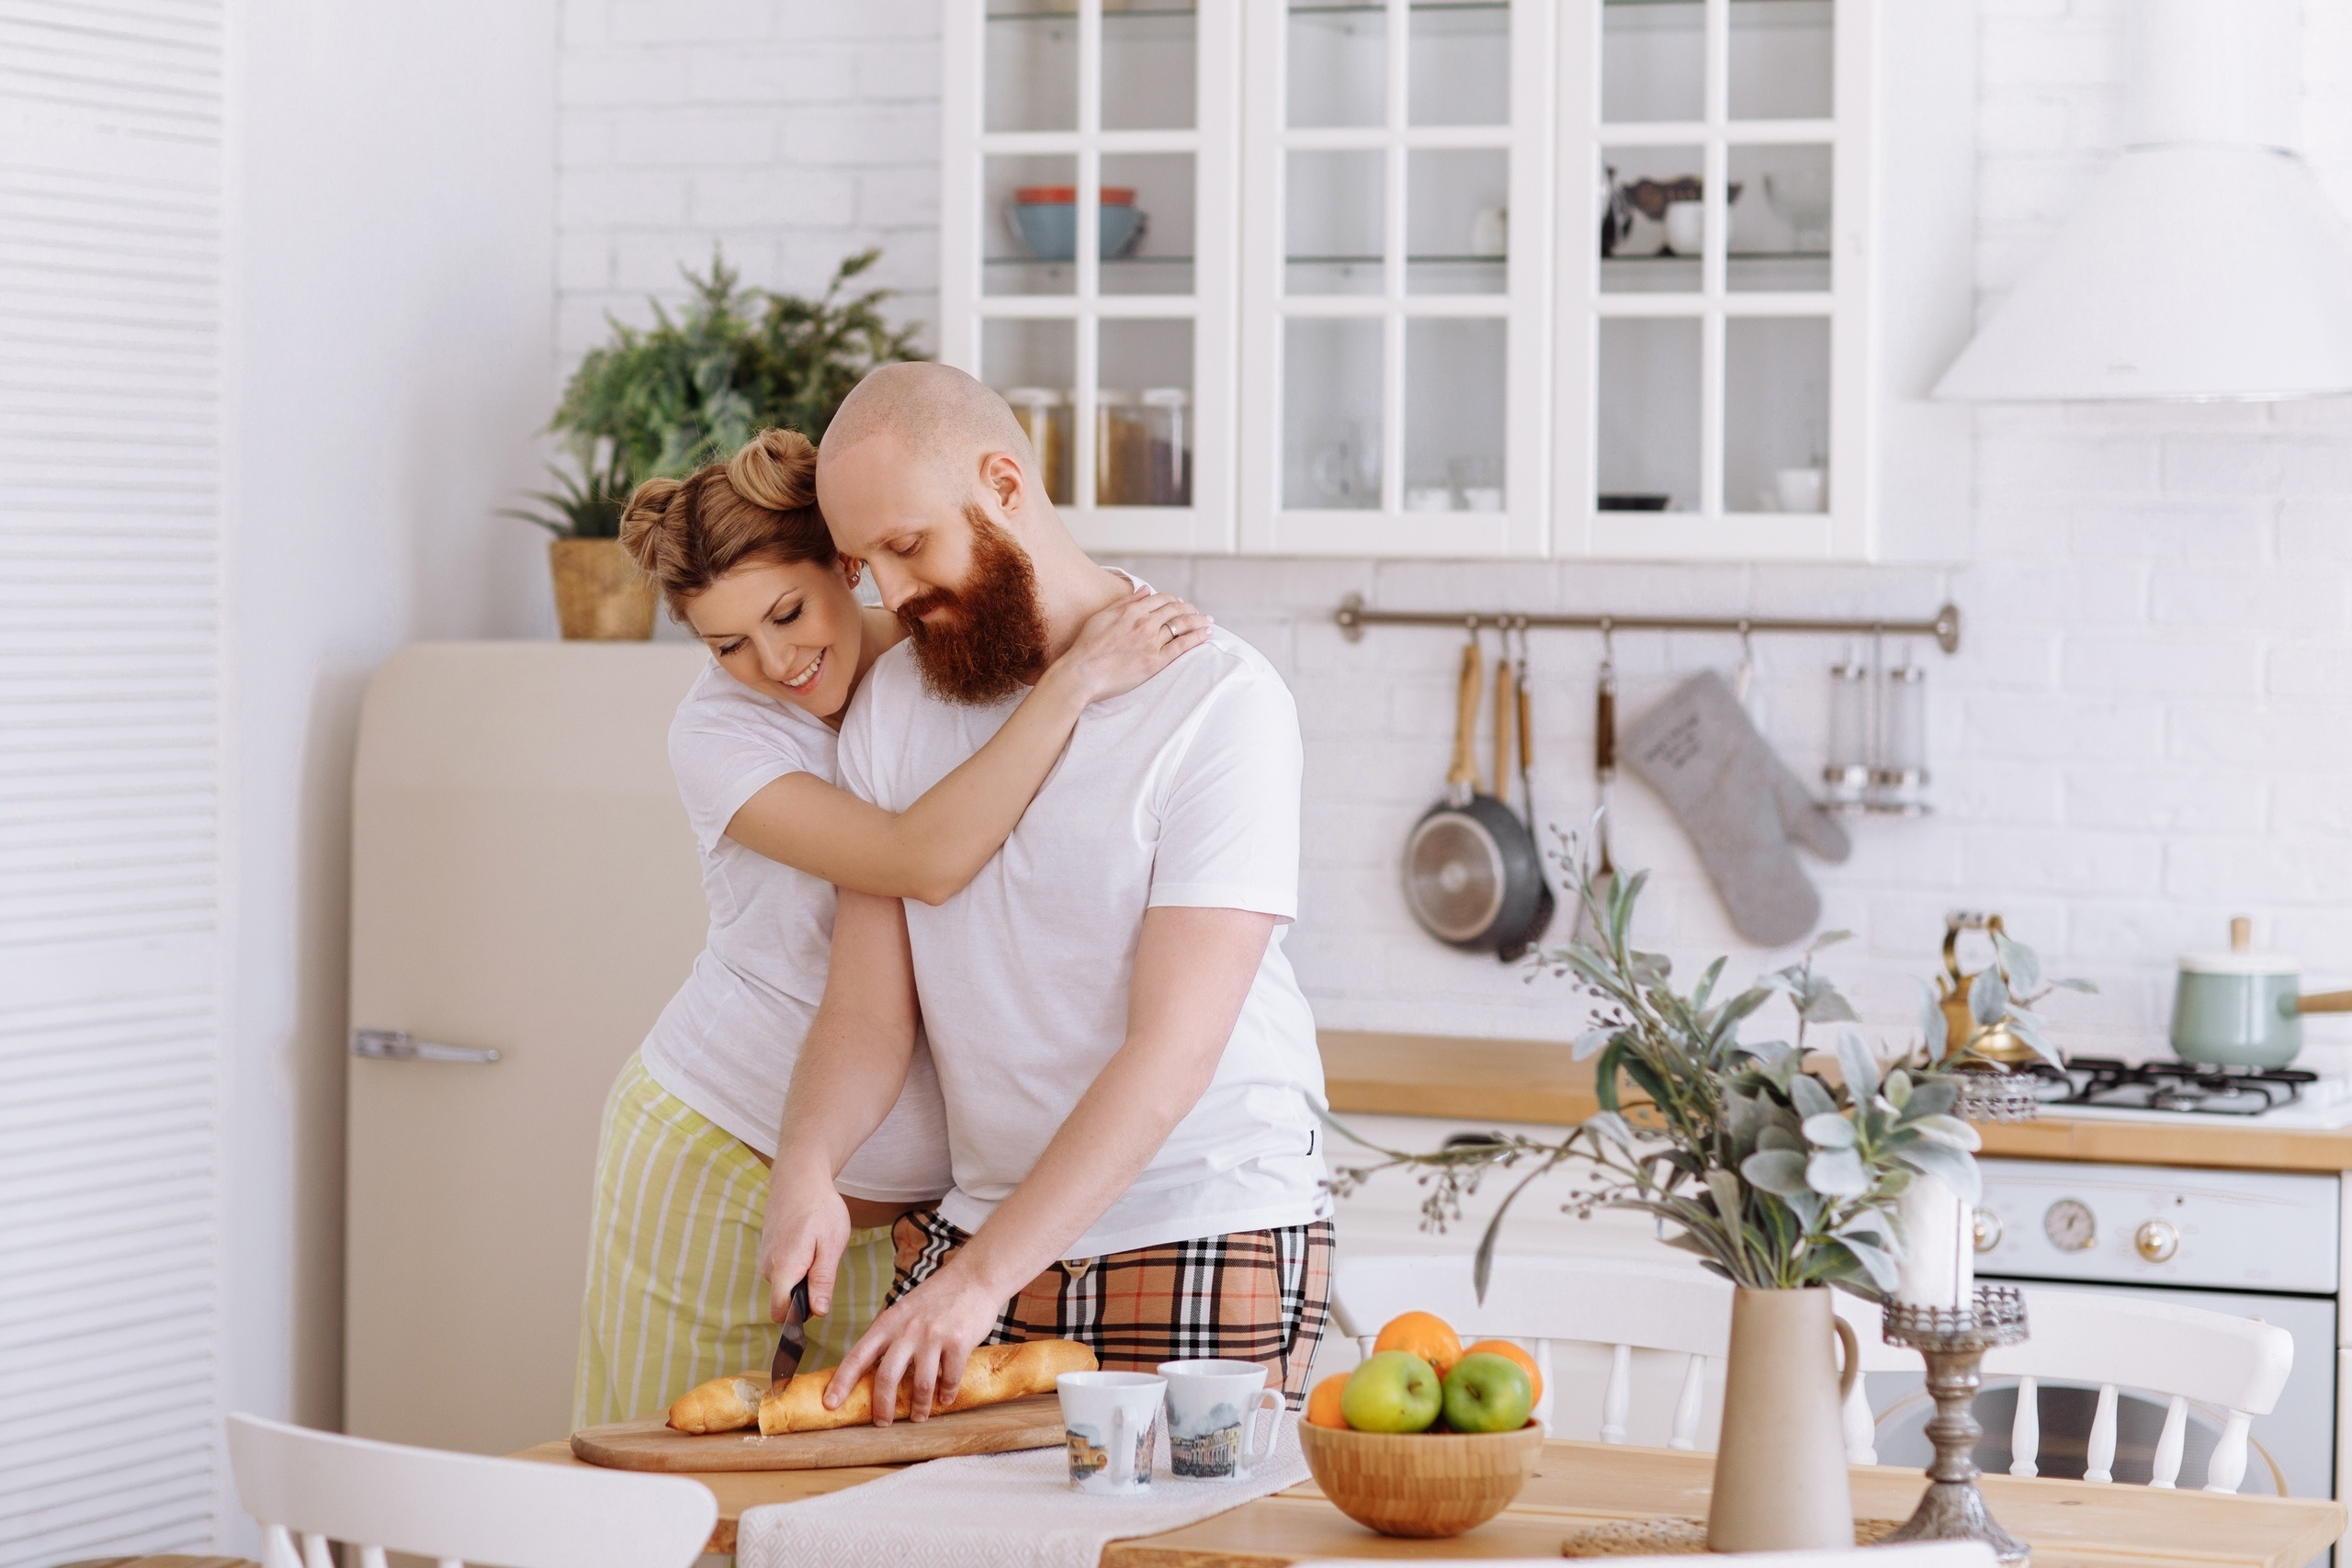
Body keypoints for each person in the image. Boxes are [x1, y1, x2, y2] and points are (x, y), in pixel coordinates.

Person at [572, 426, 1211, 1428]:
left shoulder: (947, 663)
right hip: (729, 1162)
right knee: (662, 1505)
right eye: (725, 643)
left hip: (922, 1225)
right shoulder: (720, 734)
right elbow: (921, 860)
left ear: (846, 562)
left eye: (787, 613)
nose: (772, 660)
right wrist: (1076, 684)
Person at [756, 363, 1333, 1424]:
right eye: (860, 562)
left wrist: (977, 1283)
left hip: (1199, 1223)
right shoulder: (895, 706)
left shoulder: (1218, 701)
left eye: (907, 544)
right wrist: (808, 1164)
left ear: (1004, 484)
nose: (887, 596)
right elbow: (869, 1012)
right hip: (981, 1235)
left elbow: (1173, 1053)